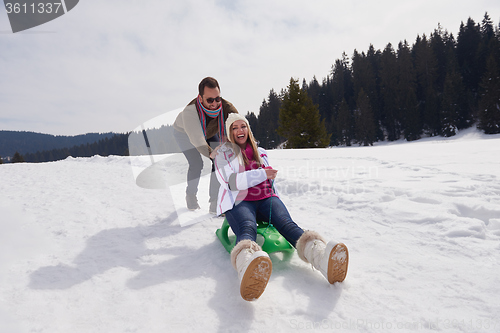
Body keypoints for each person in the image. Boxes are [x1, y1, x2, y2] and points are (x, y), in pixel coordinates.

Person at [212, 113, 349, 301]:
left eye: (242, 126)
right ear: (229, 133)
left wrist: (267, 180)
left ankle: (321, 258)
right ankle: (247, 268)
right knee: (247, 228)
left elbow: (269, 179)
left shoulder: (261, 152)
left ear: (248, 129)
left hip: (266, 199)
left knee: (287, 224)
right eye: (234, 128)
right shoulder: (224, 155)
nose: (239, 131)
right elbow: (232, 182)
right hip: (239, 202)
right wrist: (262, 174)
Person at [173, 77, 238, 213]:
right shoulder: (190, 113)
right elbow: (197, 139)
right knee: (197, 164)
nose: (214, 103)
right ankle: (190, 195)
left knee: (219, 160)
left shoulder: (226, 107)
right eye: (210, 100)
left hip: (208, 133)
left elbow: (240, 125)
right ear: (200, 98)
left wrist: (249, 145)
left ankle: (215, 202)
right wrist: (210, 152)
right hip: (185, 134)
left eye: (217, 98)